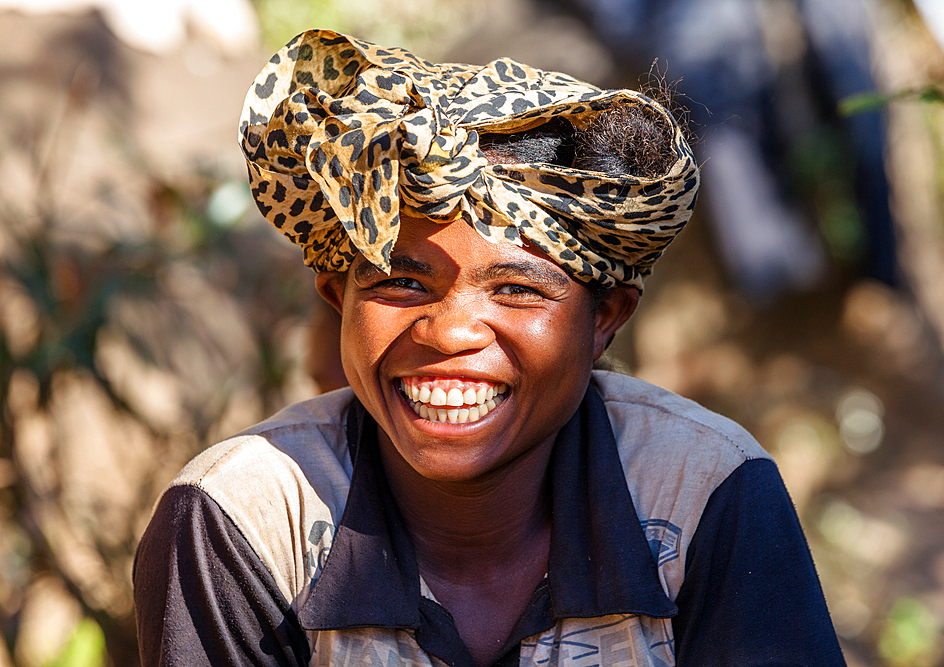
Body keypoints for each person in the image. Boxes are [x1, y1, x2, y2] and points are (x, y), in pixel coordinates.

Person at [133, 30, 846, 667]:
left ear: (606, 320)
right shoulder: (244, 519)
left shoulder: (703, 494)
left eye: (516, 289)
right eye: (401, 282)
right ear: (336, 300)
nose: (449, 332)